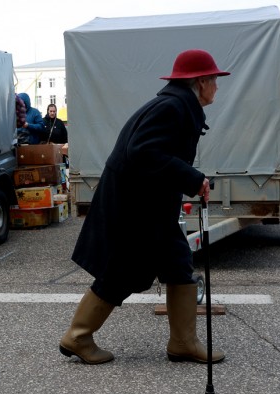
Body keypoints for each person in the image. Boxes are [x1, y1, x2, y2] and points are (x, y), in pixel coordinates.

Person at [59, 49, 230, 365]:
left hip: (144, 205)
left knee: (176, 262)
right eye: (215, 80)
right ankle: (78, 337)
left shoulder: (176, 105)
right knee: (122, 271)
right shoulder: (173, 108)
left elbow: (152, 155)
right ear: (201, 81)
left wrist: (188, 179)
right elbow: (143, 153)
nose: (218, 87)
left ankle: (183, 342)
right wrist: (192, 178)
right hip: (136, 208)